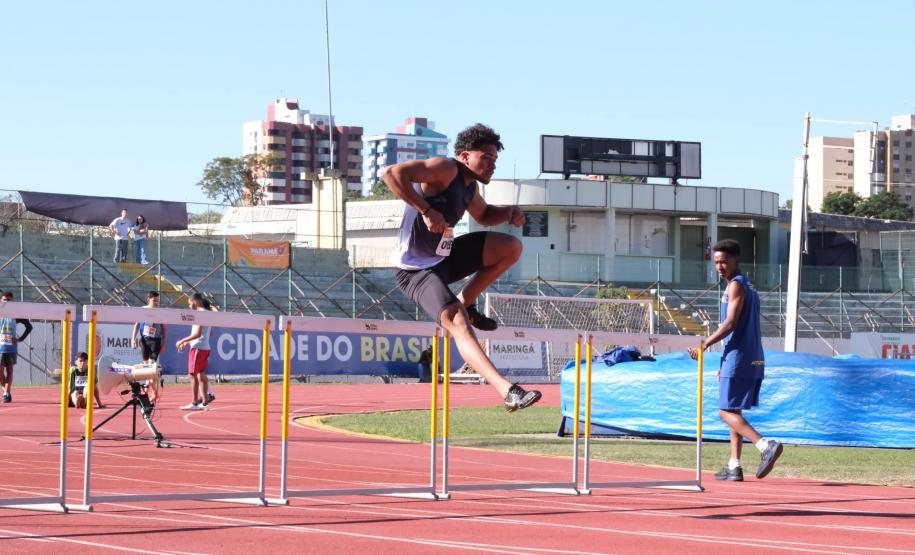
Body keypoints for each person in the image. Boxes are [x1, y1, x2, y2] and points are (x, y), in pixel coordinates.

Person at [383, 123, 541, 412]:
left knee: (511, 247)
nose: (492, 165)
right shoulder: (445, 169)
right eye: (487, 158)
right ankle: (508, 391)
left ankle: (466, 302)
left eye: (495, 160)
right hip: (415, 271)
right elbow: (391, 174)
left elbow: (484, 215)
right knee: (457, 323)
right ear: (465, 156)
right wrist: (427, 210)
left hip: (445, 259)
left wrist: (509, 213)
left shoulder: (470, 188)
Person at [689, 239, 783, 481]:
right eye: (717, 262)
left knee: (724, 412)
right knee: (734, 411)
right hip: (746, 356)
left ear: (736, 261)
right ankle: (734, 465)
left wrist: (704, 344)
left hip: (740, 356)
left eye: (724, 262)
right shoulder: (746, 287)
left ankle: (765, 446)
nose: (720, 267)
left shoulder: (736, 286)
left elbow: (730, 324)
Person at [175, 293, 214, 410]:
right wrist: (187, 342)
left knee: (192, 375)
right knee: (200, 374)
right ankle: (205, 401)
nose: (189, 306)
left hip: (198, 348)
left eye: (189, 303)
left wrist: (182, 340)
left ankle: (195, 402)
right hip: (204, 347)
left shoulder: (200, 314)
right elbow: (208, 333)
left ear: (195, 301)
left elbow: (197, 334)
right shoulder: (207, 313)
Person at [132, 291, 166, 403]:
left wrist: (164, 343)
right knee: (147, 368)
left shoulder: (160, 312)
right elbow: (136, 324)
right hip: (144, 341)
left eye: (158, 300)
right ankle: (153, 392)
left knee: (151, 367)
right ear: (148, 299)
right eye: (154, 300)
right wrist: (133, 339)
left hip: (155, 341)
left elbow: (165, 328)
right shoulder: (143, 309)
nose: (156, 302)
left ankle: (152, 393)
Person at [0, 291, 33, 403]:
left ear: (12, 301)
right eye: (4, 300)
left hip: (11, 347)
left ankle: (6, 393)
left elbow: (29, 326)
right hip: (0, 346)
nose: (6, 302)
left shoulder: (16, 313)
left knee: (10, 370)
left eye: (9, 300)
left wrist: (20, 339)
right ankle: (6, 391)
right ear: (1, 300)